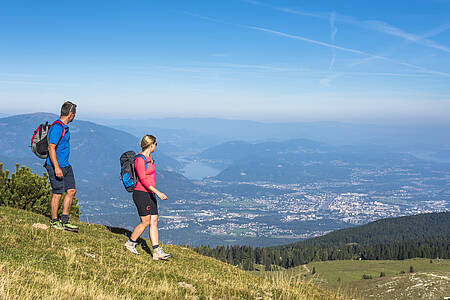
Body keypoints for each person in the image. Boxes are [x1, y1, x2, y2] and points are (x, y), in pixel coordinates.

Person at [124, 134, 172, 260]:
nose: (156, 146)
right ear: (151, 145)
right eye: (155, 144)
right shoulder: (140, 159)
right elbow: (143, 180)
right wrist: (158, 192)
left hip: (149, 194)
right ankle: (130, 243)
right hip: (141, 193)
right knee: (145, 221)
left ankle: (156, 251)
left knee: (154, 220)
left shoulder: (149, 158)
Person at [44, 101, 79, 232]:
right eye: (74, 114)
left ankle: (64, 220)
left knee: (71, 191)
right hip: (56, 166)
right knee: (57, 193)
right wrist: (56, 167)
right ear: (71, 114)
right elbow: (51, 147)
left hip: (66, 165)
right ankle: (54, 221)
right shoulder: (58, 127)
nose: (74, 116)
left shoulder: (64, 127)